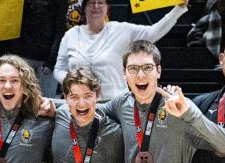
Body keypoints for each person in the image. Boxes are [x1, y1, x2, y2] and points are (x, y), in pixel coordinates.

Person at [53, 0, 189, 101]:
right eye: (91, 3)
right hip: (79, 104)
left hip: (116, 104)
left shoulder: (121, 29)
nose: (96, 6)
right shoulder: (70, 35)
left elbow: (153, 32)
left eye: (100, 2)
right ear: (84, 9)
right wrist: (73, 82)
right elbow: (58, 69)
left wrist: (178, 9)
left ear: (108, 9)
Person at [51, 68, 124, 163]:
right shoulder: (60, 117)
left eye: (87, 96)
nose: (81, 104)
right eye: (74, 97)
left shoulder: (115, 133)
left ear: (97, 96)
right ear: (65, 98)